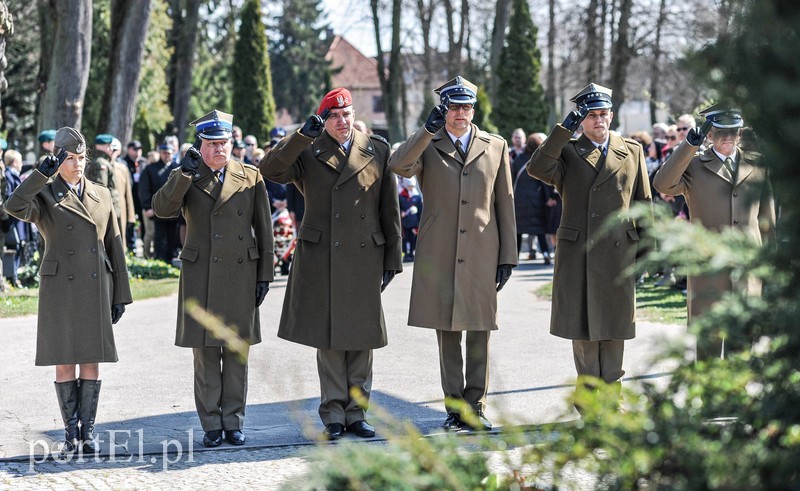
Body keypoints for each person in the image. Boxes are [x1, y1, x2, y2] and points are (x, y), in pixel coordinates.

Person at [261, 88, 402, 440]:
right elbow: (270, 169)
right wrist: (301, 135)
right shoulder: (309, 149)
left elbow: (389, 208)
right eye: (334, 116)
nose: (342, 121)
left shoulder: (377, 149)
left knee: (362, 337)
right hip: (322, 254)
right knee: (330, 338)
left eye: (347, 114)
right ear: (325, 120)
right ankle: (334, 414)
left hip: (364, 254)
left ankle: (358, 413)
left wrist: (393, 258)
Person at [389, 76, 517, 431]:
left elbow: (504, 201)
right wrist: (425, 132)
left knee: (479, 330)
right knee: (447, 332)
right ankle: (453, 407)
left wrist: (509, 255)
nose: (460, 113)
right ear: (443, 109)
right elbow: (398, 166)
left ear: (473, 109)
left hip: (482, 250)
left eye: (466, 107)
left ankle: (475, 405)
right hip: (440, 249)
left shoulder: (496, 145)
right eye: (453, 107)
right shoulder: (428, 143)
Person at [3, 127, 131, 455]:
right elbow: (13, 207)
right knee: (64, 361)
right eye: (69, 159)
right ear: (58, 160)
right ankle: (70, 434)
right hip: (60, 286)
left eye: (81, 158)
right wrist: (38, 175)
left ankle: (86, 435)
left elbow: (114, 245)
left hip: (94, 284)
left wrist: (120, 294)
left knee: (91, 359)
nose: (77, 164)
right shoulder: (43, 194)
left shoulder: (101, 194)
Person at [526, 83, 652, 408]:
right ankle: (589, 404)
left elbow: (643, 204)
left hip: (619, 252)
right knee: (583, 331)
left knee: (615, 329)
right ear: (582, 120)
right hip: (578, 252)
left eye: (603, 114)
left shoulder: (632, 151)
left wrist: (647, 253)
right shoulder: (567, 150)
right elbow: (537, 169)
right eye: (591, 115)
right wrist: (563, 129)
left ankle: (611, 402)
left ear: (612, 115)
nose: (599, 120)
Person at [152, 110, 274, 447]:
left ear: (232, 143)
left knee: (236, 351)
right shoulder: (188, 175)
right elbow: (162, 209)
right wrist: (182, 175)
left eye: (224, 143)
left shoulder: (250, 176)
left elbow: (264, 231)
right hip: (201, 273)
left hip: (240, 273)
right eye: (212, 144)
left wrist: (265, 274)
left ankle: (233, 421)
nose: (219, 149)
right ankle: (211, 424)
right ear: (200, 145)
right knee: (205, 355)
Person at [653, 104, 775, 360]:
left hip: (746, 269)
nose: (728, 137)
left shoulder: (757, 165)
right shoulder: (694, 164)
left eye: (733, 131)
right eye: (720, 132)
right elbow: (663, 183)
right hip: (708, 270)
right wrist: (688, 146)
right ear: (709, 134)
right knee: (708, 347)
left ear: (740, 133)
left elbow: (767, 221)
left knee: (742, 347)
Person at [512, 133, 553, 263]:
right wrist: (549, 197)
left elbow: (512, 179)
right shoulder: (539, 161)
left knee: (518, 230)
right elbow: (544, 181)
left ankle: (515, 257)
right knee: (539, 229)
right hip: (537, 199)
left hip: (519, 199)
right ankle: (546, 253)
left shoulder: (518, 160)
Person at [139, 143, 180, 263]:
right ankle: (160, 260)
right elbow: (144, 189)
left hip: (174, 210)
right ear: (160, 153)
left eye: (169, 153)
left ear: (173, 153)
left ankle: (171, 259)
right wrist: (147, 207)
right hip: (157, 209)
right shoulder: (150, 169)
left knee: (173, 236)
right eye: (164, 152)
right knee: (159, 237)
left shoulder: (178, 168)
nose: (167, 155)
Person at [109, 138, 136, 252]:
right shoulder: (100, 166)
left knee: (120, 240)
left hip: (121, 210)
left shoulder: (122, 168)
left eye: (115, 149)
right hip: (106, 209)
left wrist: (131, 216)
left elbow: (128, 193)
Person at [124, 140, 147, 251]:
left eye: (139, 149)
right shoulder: (123, 162)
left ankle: (144, 243)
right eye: (134, 149)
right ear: (129, 150)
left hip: (142, 198)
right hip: (130, 197)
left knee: (144, 222)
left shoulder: (144, 163)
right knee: (130, 222)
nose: (137, 152)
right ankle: (131, 245)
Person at [398, 177, 422, 262]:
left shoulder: (417, 197)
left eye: (412, 186)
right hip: (404, 222)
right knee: (404, 239)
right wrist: (401, 213)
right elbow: (396, 207)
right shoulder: (400, 196)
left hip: (413, 223)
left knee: (413, 239)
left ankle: (412, 254)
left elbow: (420, 211)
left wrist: (419, 223)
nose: (410, 187)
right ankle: (405, 255)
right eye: (409, 186)